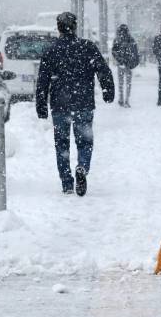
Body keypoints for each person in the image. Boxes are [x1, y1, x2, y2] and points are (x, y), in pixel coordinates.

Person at [36, 12, 115, 196]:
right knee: (85, 141)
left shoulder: (51, 50)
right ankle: (82, 167)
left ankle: (66, 182)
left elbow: (43, 80)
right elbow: (103, 70)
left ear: (58, 28)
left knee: (62, 144)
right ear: (75, 26)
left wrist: (41, 104)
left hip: (59, 105)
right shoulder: (87, 47)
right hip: (83, 102)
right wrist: (107, 90)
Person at [111, 24, 139, 108]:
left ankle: (121, 99)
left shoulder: (117, 40)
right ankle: (127, 100)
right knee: (128, 84)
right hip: (128, 65)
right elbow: (135, 52)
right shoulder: (131, 39)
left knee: (121, 83)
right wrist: (133, 63)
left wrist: (119, 59)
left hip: (121, 64)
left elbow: (114, 51)